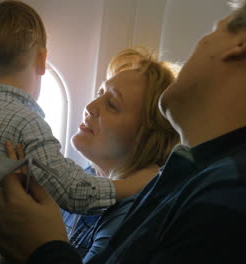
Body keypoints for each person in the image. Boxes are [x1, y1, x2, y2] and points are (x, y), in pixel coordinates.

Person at [0, 0, 246, 263]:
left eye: (215, 30)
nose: (92, 109)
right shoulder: (199, 174)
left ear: (245, 39)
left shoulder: (239, 199)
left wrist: (41, 249)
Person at [0, 2, 156, 264]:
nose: (90, 106)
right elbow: (75, 193)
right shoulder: (28, 124)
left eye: (111, 103)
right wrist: (136, 185)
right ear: (42, 60)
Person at [60, 48, 179, 263]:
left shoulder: (133, 213)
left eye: (112, 105)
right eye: (99, 94)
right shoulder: (84, 178)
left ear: (145, 136)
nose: (89, 107)